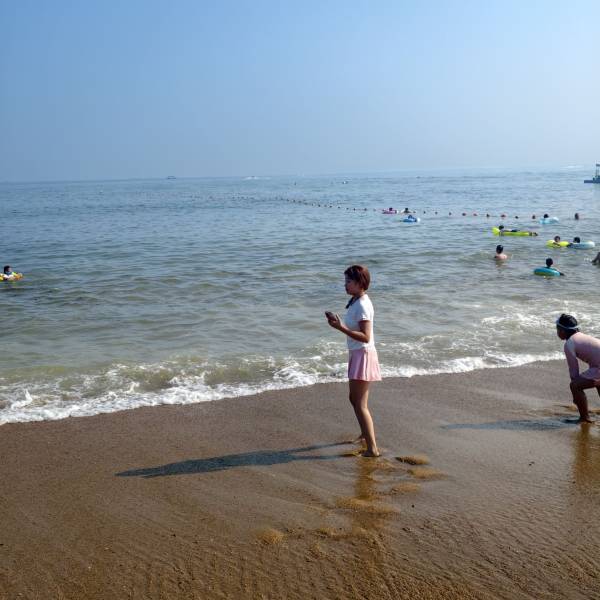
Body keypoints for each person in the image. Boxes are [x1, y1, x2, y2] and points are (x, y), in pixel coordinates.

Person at [325, 265, 381, 457]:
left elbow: (366, 336)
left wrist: (341, 328)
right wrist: (339, 324)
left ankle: (372, 449)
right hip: (357, 353)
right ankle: (365, 434)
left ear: (359, 283)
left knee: (359, 403)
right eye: (345, 281)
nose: (345, 285)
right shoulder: (356, 301)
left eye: (348, 281)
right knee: (354, 399)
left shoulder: (363, 305)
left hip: (363, 354)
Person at [555, 314, 600, 423]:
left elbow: (573, 370)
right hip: (597, 366)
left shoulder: (569, 343)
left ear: (562, 331)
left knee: (575, 386)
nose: (557, 332)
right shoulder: (581, 336)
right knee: (598, 382)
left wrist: (576, 395)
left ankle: (584, 418)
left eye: (557, 329)